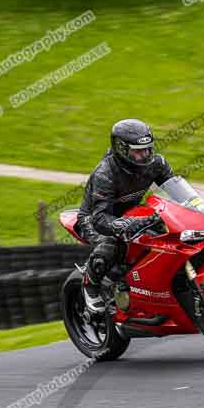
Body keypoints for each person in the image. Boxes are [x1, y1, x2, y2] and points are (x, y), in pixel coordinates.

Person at [76, 119, 175, 315]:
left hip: (132, 213)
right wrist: (128, 223)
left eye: (147, 149)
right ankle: (90, 285)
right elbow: (100, 219)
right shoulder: (105, 174)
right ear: (121, 149)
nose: (144, 155)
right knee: (112, 244)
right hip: (95, 219)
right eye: (138, 151)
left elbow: (176, 190)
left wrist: (196, 206)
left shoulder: (157, 163)